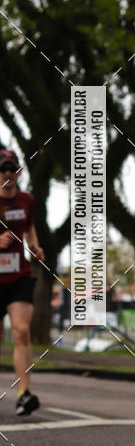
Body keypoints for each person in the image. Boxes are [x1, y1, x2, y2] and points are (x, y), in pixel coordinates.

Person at [0, 148, 45, 415]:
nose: (8, 173)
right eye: (3, 169)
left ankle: (24, 393)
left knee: (21, 330)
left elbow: (29, 227)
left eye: (12, 168)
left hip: (19, 274)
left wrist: (35, 247)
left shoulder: (27, 200)